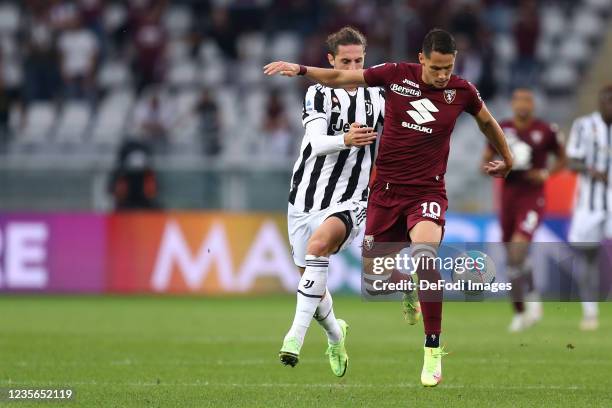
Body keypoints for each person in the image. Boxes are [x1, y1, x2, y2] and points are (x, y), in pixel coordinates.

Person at [264, 28, 513, 387]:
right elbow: (338, 79)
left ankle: (432, 350)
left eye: (449, 68)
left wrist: (507, 158)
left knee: (426, 255)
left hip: (426, 191)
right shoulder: (396, 76)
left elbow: (487, 121)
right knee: (377, 277)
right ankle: (391, 293)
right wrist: (301, 69)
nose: (442, 75)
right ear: (422, 58)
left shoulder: (461, 91)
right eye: (436, 68)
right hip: (382, 193)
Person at [276, 26, 385, 378]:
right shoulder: (319, 95)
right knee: (311, 279)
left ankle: (294, 337)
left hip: (351, 198)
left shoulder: (379, 99)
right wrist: (347, 138)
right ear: (331, 61)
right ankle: (336, 335)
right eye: (346, 61)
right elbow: (316, 144)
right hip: (304, 198)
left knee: (319, 246)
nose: (353, 69)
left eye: (359, 61)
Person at [481, 88, 566, 332]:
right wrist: (492, 167)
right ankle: (526, 302)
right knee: (513, 258)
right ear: (512, 103)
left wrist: (546, 173)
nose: (523, 104)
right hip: (507, 199)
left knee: (517, 252)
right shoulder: (501, 128)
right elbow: (484, 160)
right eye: (518, 100)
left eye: (527, 100)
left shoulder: (546, 131)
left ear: (533, 104)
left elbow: (562, 158)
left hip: (532, 198)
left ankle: (521, 312)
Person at [565, 85, 612, 331]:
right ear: (600, 102)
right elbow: (571, 161)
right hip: (589, 204)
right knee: (589, 256)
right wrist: (590, 170)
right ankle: (590, 311)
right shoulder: (584, 126)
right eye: (607, 101)